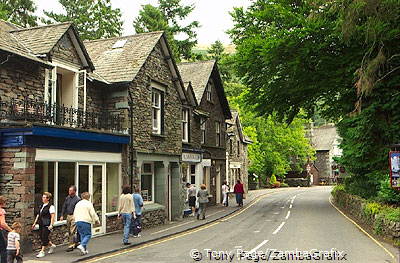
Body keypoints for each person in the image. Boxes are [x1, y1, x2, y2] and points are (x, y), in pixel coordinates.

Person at [32, 192, 56, 258]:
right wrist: (34, 223)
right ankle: (51, 245)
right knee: (41, 236)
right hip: (41, 223)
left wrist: (51, 224)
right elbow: (38, 215)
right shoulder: (41, 205)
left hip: (47, 223)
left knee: (44, 236)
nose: (42, 198)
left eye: (44, 197)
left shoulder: (51, 206)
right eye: (43, 197)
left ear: (48, 199)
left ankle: (42, 251)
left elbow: (52, 216)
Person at [59, 185, 80, 252]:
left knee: (72, 231)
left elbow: (79, 209)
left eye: (71, 190)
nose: (69, 191)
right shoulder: (67, 198)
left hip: (74, 215)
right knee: (68, 230)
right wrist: (62, 215)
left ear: (74, 191)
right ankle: (76, 242)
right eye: (69, 190)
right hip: (68, 216)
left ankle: (71, 245)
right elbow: (64, 206)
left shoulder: (77, 199)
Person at [0, 196, 12, 263]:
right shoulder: (1, 211)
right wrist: (11, 230)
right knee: (3, 249)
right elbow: (2, 224)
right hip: (0, 231)